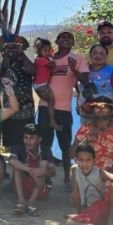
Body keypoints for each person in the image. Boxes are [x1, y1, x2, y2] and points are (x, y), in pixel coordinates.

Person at [38, 29, 89, 191]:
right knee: (44, 143)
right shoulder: (48, 58)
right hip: (44, 107)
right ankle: (46, 176)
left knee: (65, 145)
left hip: (64, 109)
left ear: (73, 42)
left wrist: (74, 69)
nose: (66, 39)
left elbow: (85, 80)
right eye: (62, 37)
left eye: (69, 37)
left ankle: (67, 178)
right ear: (57, 41)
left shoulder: (78, 59)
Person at [66, 144, 113, 225]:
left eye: (88, 160)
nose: (84, 164)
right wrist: (79, 214)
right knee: (71, 224)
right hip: (90, 210)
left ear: (94, 161)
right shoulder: (74, 170)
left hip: (102, 207)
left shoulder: (99, 173)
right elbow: (76, 194)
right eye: (81, 160)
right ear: (75, 160)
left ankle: (111, 220)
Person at [69, 98, 113, 173]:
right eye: (97, 109)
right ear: (93, 111)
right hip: (90, 173)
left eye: (104, 109)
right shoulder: (85, 128)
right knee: (74, 169)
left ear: (111, 111)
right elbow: (71, 155)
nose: (100, 112)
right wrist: (86, 141)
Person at [8, 124, 55, 216]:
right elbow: (11, 161)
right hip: (22, 187)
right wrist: (33, 171)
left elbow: (53, 173)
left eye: (32, 138)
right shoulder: (18, 147)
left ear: (39, 139)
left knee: (44, 164)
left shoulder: (46, 150)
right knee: (17, 167)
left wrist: (43, 171)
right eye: (25, 137)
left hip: (40, 189)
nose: (28, 141)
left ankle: (32, 202)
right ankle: (21, 201)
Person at [0, 38, 36, 149]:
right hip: (9, 111)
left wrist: (22, 55)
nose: (11, 49)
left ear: (20, 49)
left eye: (14, 47)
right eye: (8, 47)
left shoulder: (24, 62)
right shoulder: (5, 64)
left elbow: (32, 71)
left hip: (24, 112)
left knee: (25, 144)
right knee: (12, 145)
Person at [78, 44, 113, 122]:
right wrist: (78, 105)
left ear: (106, 57)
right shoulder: (83, 70)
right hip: (87, 115)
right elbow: (79, 89)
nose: (98, 55)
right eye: (95, 53)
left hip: (107, 117)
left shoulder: (112, 70)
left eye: (101, 53)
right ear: (90, 55)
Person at [32, 38, 60, 131]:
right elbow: (52, 65)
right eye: (45, 50)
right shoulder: (42, 60)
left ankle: (51, 119)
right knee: (51, 100)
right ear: (39, 50)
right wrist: (52, 58)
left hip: (40, 84)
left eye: (49, 50)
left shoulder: (40, 59)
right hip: (40, 84)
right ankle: (52, 120)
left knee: (50, 100)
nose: (48, 52)